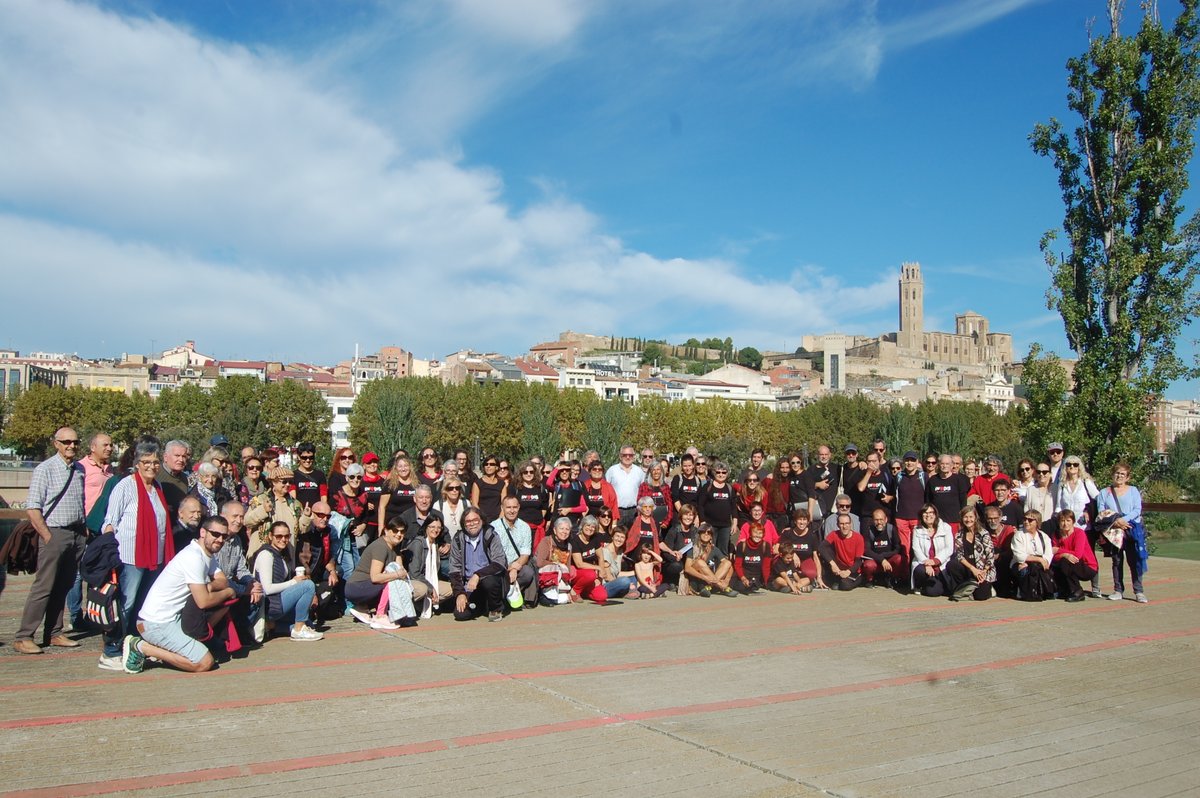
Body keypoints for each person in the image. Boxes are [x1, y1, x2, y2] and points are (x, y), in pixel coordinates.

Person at [122, 516, 239, 674]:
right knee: (205, 662)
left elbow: (222, 580)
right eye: (215, 534)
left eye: (224, 536)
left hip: (173, 618)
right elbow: (203, 601)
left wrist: (209, 586)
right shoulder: (193, 557)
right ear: (203, 532)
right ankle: (142, 647)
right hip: (156, 623)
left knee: (224, 608)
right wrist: (228, 592)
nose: (220, 539)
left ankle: (168, 648)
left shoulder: (206, 554)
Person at [12, 427, 88, 655]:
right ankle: (24, 636)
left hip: (75, 534)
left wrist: (82, 532)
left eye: (75, 441)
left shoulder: (79, 469)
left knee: (63, 586)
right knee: (43, 586)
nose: (71, 446)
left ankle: (53, 633)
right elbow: (33, 507)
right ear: (56, 444)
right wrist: (47, 535)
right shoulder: (45, 469)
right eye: (66, 442)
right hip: (54, 533)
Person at [252, 521, 325, 640]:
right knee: (308, 585)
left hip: (278, 601)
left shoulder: (281, 555)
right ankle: (299, 629)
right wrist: (294, 582)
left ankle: (273, 626)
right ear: (270, 536)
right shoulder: (266, 555)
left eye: (286, 536)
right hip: (270, 604)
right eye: (279, 536)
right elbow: (268, 589)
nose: (283, 539)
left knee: (309, 623)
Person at [345, 518, 421, 628]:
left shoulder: (394, 548)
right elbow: (375, 577)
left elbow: (401, 570)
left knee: (398, 581)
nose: (399, 534)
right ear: (386, 530)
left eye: (402, 531)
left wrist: (399, 569)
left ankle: (363, 608)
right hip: (356, 587)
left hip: (365, 587)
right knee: (391, 580)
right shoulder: (380, 547)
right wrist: (397, 574)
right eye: (395, 531)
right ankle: (380, 615)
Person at [1095, 462, 1147, 603]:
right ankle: (1118, 590)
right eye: (1117, 473)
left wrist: (1123, 520)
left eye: (1122, 474)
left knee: (1134, 560)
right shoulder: (1104, 493)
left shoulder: (1133, 490)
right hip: (1113, 532)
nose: (1119, 476)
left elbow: (1137, 509)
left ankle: (1139, 591)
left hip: (1130, 529)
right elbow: (1101, 512)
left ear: (1127, 477)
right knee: (1117, 561)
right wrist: (1116, 521)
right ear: (1112, 474)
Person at [449, 508, 509, 622]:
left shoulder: (491, 535)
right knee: (460, 615)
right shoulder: (458, 539)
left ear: (481, 520)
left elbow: (499, 563)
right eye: (468, 521)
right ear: (464, 523)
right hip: (469, 586)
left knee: (489, 582)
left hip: (489, 581)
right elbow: (454, 569)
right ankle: (481, 606)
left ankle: (495, 609)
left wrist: (477, 575)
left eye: (475, 520)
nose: (472, 524)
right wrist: (460, 593)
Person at [215, 500, 263, 643]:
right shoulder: (215, 540)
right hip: (217, 585)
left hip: (232, 585)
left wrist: (253, 584)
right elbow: (217, 577)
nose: (239, 520)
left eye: (241, 517)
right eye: (234, 516)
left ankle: (241, 631)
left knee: (259, 592)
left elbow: (241, 569)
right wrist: (245, 589)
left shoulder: (236, 540)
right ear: (223, 516)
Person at [243, 466, 312, 560]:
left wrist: (306, 517)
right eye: (284, 481)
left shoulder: (295, 504)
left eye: (290, 482)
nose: (287, 485)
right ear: (273, 482)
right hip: (262, 556)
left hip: (286, 556)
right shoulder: (260, 500)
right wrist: (263, 510)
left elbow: (301, 530)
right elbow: (247, 521)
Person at [536, 517, 608, 604]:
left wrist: (600, 576)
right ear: (555, 530)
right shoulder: (546, 541)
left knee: (602, 596)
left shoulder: (568, 546)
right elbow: (540, 562)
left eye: (567, 529)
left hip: (563, 577)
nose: (564, 531)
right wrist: (559, 566)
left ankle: (580, 592)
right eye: (561, 529)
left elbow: (568, 567)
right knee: (588, 575)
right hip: (547, 576)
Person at [492, 496, 536, 607]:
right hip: (499, 565)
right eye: (508, 507)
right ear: (502, 508)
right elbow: (491, 555)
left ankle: (511, 594)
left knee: (528, 572)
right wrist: (508, 568)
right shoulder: (493, 527)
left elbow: (525, 554)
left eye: (515, 507)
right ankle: (503, 596)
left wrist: (515, 568)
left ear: (519, 507)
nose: (512, 511)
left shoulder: (525, 527)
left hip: (516, 564)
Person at [945, 506, 995, 601]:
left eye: (971, 517)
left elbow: (990, 556)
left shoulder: (983, 533)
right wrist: (973, 569)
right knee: (952, 565)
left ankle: (969, 589)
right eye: (966, 517)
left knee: (981, 596)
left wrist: (983, 571)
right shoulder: (959, 535)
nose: (968, 520)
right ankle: (965, 586)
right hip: (968, 569)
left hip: (983, 570)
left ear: (976, 518)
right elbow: (959, 556)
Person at [405, 515, 453, 614]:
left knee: (452, 588)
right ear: (426, 527)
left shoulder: (435, 544)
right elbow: (414, 573)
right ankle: (410, 605)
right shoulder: (418, 543)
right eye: (432, 527)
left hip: (429, 580)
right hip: (413, 580)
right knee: (423, 589)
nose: (436, 530)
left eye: (439, 527)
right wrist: (431, 588)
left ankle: (425, 603)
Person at [1051, 509, 1097, 602]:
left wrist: (1061, 552)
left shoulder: (1079, 533)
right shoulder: (1056, 535)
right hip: (1070, 563)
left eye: (1068, 521)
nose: (1065, 524)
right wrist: (1064, 555)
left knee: (1065, 561)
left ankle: (1077, 591)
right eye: (1062, 521)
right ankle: (1064, 590)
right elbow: (1053, 555)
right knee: (1056, 564)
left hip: (1087, 566)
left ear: (1073, 522)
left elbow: (1078, 555)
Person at [910, 504, 955, 597]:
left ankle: (940, 584)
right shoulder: (917, 529)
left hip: (941, 564)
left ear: (935, 514)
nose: (928, 515)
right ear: (921, 515)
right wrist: (927, 563)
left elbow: (949, 548)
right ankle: (921, 585)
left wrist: (935, 561)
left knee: (947, 590)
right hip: (924, 565)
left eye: (931, 512)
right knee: (932, 591)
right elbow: (916, 549)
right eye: (925, 513)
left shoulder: (946, 527)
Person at [683, 524, 738, 597]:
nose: (706, 534)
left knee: (727, 562)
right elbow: (687, 568)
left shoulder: (714, 549)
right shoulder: (693, 547)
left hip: (709, 582)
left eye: (709, 533)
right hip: (697, 581)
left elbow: (729, 566)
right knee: (700, 562)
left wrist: (726, 581)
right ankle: (721, 587)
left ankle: (710, 587)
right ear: (699, 534)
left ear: (711, 536)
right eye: (703, 532)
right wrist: (704, 577)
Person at [1011, 510, 1055, 601]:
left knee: (1040, 569)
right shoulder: (1019, 535)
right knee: (1024, 568)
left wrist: (1043, 561)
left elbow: (1048, 554)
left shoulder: (1044, 536)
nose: (1026, 522)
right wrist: (1039, 560)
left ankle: (1042, 591)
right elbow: (1019, 555)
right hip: (1022, 563)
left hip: (1038, 565)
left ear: (1037, 522)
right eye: (1025, 519)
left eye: (1030, 520)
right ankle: (1023, 590)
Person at [778, 509, 825, 588]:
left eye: (804, 519)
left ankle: (797, 584)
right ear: (795, 521)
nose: (802, 522)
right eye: (799, 519)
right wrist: (794, 554)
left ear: (808, 522)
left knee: (811, 573)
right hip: (789, 561)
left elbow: (815, 557)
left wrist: (819, 577)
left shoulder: (812, 536)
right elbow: (779, 548)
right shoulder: (788, 533)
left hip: (805, 560)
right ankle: (798, 584)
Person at [698, 460, 736, 555]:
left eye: (724, 472)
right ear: (714, 472)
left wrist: (735, 522)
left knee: (723, 551)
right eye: (718, 472)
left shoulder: (729, 488)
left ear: (727, 474)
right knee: (709, 550)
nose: (721, 474)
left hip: (725, 526)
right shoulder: (707, 487)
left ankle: (721, 569)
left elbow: (733, 507)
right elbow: (700, 505)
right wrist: (702, 521)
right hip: (710, 525)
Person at [820, 513, 865, 591]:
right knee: (827, 550)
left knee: (845, 586)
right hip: (838, 569)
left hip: (852, 570)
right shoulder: (834, 534)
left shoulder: (858, 538)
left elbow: (859, 561)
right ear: (838, 525)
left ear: (850, 524)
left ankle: (857, 580)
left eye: (847, 523)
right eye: (842, 524)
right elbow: (821, 547)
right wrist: (832, 564)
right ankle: (836, 580)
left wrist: (848, 571)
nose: (844, 526)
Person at [860, 508, 903, 588]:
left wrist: (885, 557)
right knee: (868, 565)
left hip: (888, 560)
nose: (879, 522)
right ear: (872, 520)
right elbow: (866, 550)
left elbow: (897, 548)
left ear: (886, 519)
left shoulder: (891, 529)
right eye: (876, 520)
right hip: (875, 560)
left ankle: (892, 578)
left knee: (899, 559)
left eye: (881, 519)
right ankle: (870, 579)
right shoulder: (869, 530)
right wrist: (881, 559)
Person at [1053, 455, 1099, 527]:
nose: (1072, 466)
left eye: (1075, 464)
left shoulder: (1086, 482)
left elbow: (1098, 498)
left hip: (1083, 525)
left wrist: (1088, 511)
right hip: (1066, 526)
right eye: (1068, 464)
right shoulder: (1062, 484)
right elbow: (1059, 506)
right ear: (1065, 467)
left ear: (1079, 467)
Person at [661, 502, 699, 588]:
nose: (688, 518)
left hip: (690, 561)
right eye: (686, 515)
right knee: (676, 566)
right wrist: (675, 556)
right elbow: (665, 553)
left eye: (691, 515)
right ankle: (671, 581)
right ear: (681, 516)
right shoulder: (674, 530)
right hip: (675, 561)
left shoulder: (695, 531)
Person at [512, 460, 550, 546]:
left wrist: (540, 517)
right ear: (521, 473)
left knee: (536, 555)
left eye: (531, 472)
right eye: (525, 472)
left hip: (537, 528)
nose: (528, 474)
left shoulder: (540, 488)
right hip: (520, 528)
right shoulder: (515, 488)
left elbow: (544, 505)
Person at [606, 445, 646, 527]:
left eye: (630, 455)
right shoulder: (612, 470)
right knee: (617, 537)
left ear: (634, 457)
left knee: (633, 538)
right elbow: (606, 490)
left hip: (634, 511)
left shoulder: (639, 472)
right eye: (625, 455)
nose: (628, 457)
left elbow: (643, 492)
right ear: (620, 456)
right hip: (617, 511)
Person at [803, 445, 841, 523]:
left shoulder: (837, 468)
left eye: (826, 454)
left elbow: (850, 469)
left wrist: (862, 463)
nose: (824, 457)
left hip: (834, 510)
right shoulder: (811, 470)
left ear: (830, 455)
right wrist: (817, 485)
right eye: (821, 454)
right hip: (818, 511)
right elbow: (805, 486)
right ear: (818, 455)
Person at [378, 455, 419, 527]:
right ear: (396, 468)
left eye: (406, 466)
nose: (403, 469)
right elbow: (382, 507)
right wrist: (380, 527)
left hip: (411, 523)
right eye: (400, 466)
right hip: (393, 524)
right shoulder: (389, 484)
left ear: (410, 467)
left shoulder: (417, 484)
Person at [599, 527, 638, 599]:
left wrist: (636, 572)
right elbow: (607, 577)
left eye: (622, 537)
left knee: (633, 578)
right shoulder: (605, 551)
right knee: (625, 581)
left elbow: (618, 573)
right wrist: (626, 583)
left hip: (616, 581)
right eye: (617, 536)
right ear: (612, 537)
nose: (619, 539)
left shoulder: (619, 552)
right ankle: (627, 591)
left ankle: (627, 591)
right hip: (606, 585)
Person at [732, 522, 771, 593]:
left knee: (753, 586)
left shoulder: (766, 546)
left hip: (757, 576)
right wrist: (743, 578)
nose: (758, 535)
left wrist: (766, 582)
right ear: (750, 533)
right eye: (755, 533)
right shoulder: (742, 545)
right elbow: (737, 565)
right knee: (741, 586)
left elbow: (766, 566)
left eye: (760, 533)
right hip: (743, 575)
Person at [635, 462, 673, 531]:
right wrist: (645, 521)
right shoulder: (644, 486)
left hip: (663, 523)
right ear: (650, 472)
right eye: (653, 470)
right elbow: (639, 505)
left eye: (658, 469)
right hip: (648, 521)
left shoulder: (665, 487)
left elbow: (670, 505)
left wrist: (667, 521)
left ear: (661, 471)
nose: (656, 472)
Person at [470, 455, 507, 524]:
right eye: (486, 464)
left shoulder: (502, 484)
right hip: (482, 520)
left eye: (491, 464)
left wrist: (500, 519)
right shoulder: (478, 483)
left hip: (498, 520)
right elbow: (474, 504)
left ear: (496, 467)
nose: (488, 466)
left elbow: (504, 504)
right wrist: (482, 518)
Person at [158, 440, 192, 516]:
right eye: (177, 456)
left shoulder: (184, 478)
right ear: (165, 457)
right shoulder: (155, 474)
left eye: (183, 456)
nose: (181, 460)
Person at [289, 442, 327, 508]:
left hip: (316, 514)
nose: (308, 460)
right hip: (300, 513)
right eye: (304, 458)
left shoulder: (320, 475)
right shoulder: (293, 475)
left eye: (311, 457)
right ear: (298, 457)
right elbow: (293, 498)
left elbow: (324, 497)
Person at [762, 457, 792, 533]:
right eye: (782, 468)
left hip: (783, 518)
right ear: (778, 468)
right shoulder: (769, 480)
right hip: (769, 517)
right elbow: (759, 494)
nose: (785, 470)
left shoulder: (791, 481)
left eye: (787, 468)